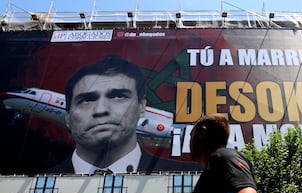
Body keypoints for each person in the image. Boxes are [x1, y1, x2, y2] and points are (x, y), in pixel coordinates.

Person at [48, 55, 201, 174]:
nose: (101, 110)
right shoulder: (39, 177)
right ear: (67, 116)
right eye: (87, 100)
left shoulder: (193, 173)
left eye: (118, 96)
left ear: (142, 107)